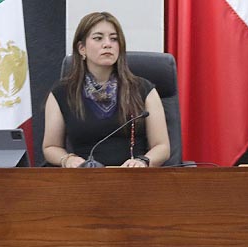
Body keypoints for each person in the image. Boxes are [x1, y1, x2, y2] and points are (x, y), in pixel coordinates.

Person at [43, 12, 170, 167]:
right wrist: (68, 159)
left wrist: (142, 161)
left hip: (133, 175)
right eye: (98, 38)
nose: (107, 44)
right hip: (84, 176)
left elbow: (162, 147)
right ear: (82, 48)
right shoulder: (62, 92)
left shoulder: (143, 89)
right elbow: (51, 147)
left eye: (114, 39)